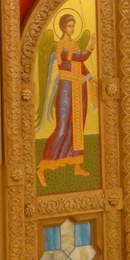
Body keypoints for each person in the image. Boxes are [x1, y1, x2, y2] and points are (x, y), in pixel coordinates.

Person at [37, 13, 95, 187]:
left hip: (79, 89)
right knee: (62, 128)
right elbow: (79, 58)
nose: (72, 28)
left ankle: (77, 165)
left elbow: (81, 65)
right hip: (66, 89)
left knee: (77, 127)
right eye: (69, 26)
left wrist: (91, 78)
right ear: (63, 27)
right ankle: (42, 167)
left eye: (73, 25)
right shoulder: (61, 46)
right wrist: (91, 48)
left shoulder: (75, 44)